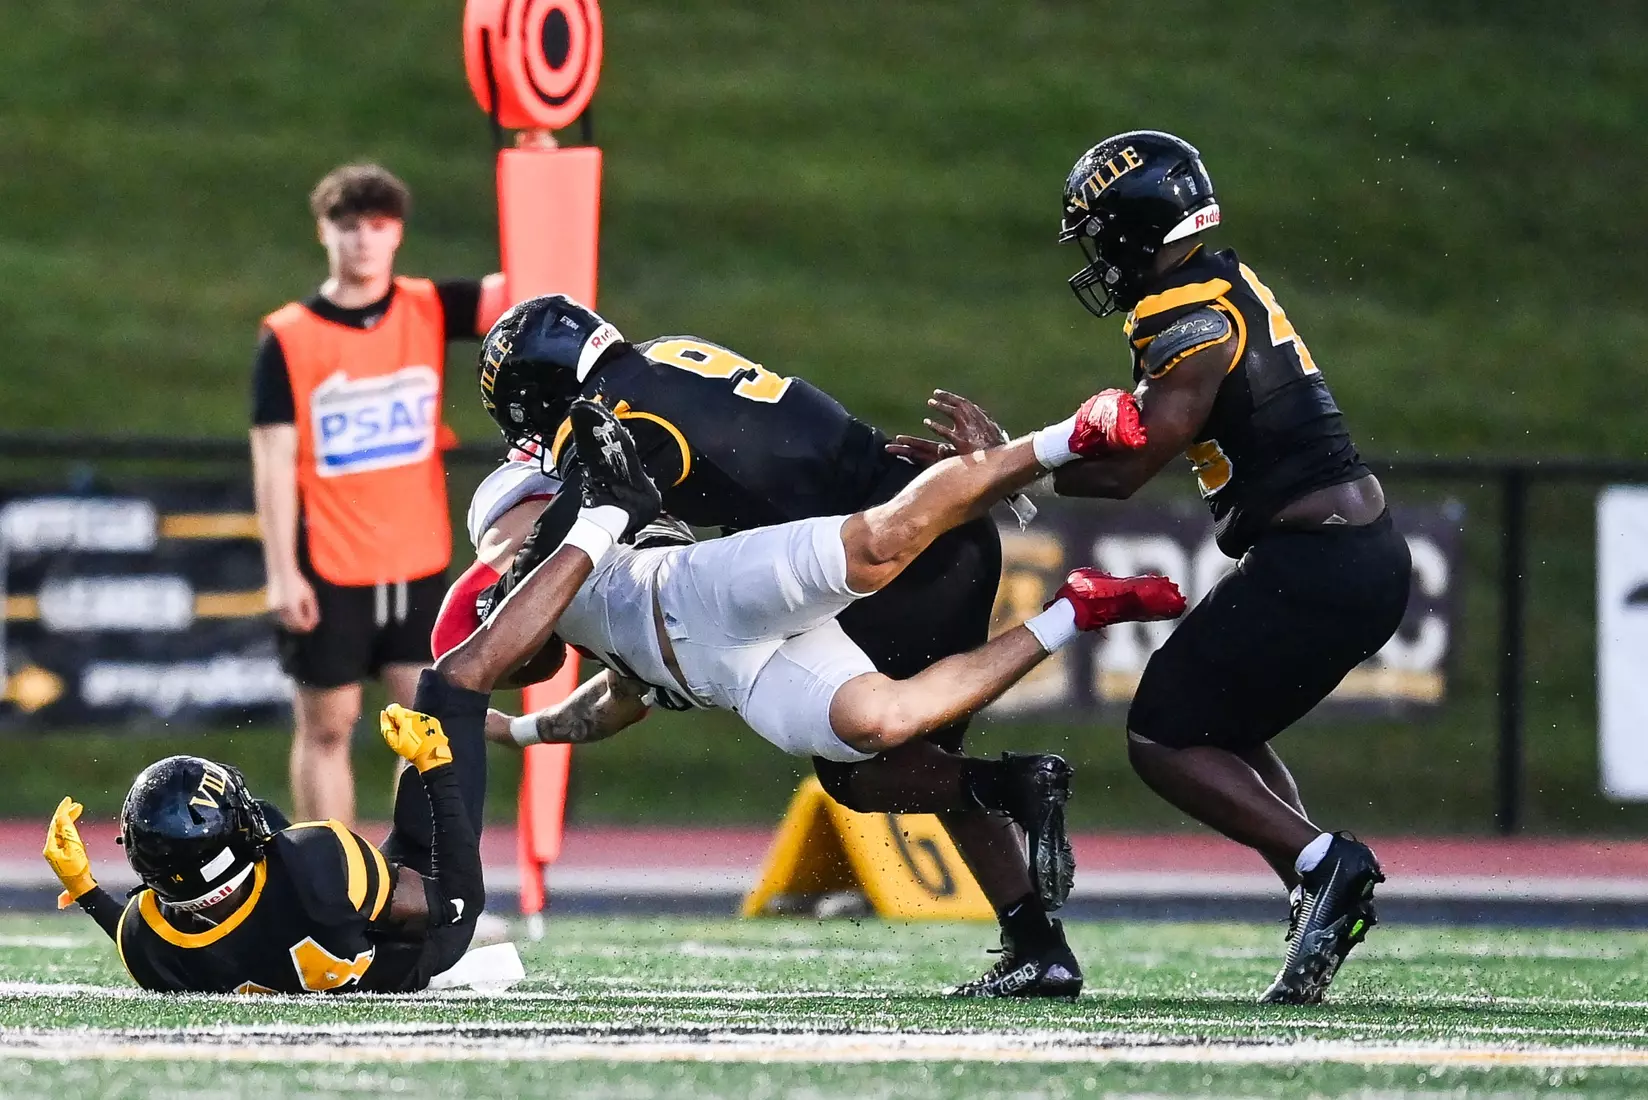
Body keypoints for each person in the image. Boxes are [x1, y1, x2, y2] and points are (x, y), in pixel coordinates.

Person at [431, 400, 1183, 997]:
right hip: (747, 670)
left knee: (872, 556)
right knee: (878, 723)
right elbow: (608, 703)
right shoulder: (593, 632)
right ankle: (1076, 613)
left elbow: (499, 602)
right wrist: (515, 732)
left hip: (709, 589)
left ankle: (1066, 437)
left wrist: (522, 580)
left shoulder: (556, 523)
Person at [906, 131, 1412, 1005]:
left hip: (1322, 556)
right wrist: (1014, 469)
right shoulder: (1216, 280)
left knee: (1163, 737)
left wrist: (1003, 465)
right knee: (1217, 727)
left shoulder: (1181, 311)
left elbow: (1134, 462)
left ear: (1139, 226)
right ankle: (1313, 876)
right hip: (1347, 550)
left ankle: (1323, 863)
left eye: (1102, 232)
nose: (1099, 255)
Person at [249, 162, 509, 825]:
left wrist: (536, 172)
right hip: (330, 561)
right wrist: (281, 572)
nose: (363, 241)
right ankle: (331, 876)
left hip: (416, 555)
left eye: (377, 226)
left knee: (424, 726)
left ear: (396, 235)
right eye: (349, 227)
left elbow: (525, 290)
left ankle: (412, 877)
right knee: (329, 726)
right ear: (324, 233)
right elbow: (274, 458)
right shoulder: (289, 335)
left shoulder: (426, 306)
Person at [41, 700, 484, 994]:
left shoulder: (150, 946)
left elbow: (146, 938)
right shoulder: (317, 859)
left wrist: (86, 890)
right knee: (444, 693)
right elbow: (457, 903)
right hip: (408, 955)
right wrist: (435, 765)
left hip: (298, 941)